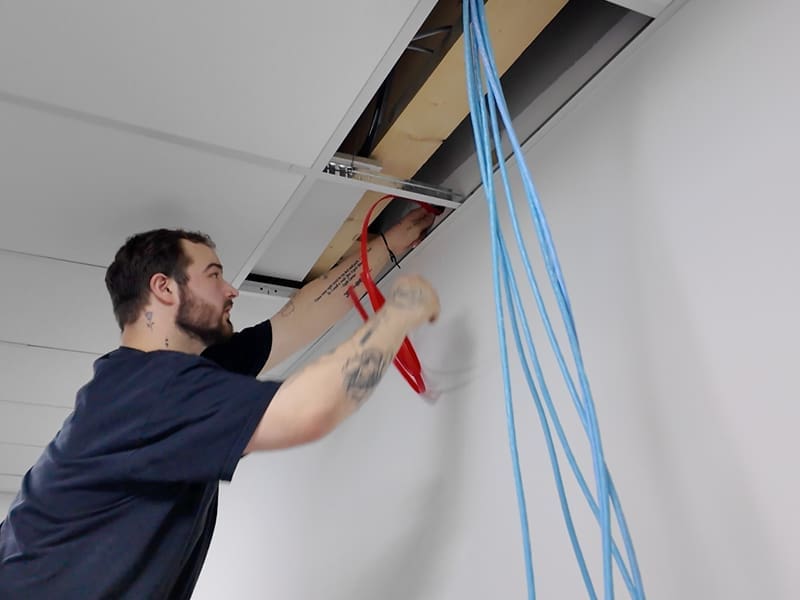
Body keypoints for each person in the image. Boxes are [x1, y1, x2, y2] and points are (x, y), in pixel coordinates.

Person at [0, 208, 440, 599]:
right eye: (213, 274)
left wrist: (387, 246)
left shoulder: (152, 385)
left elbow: (293, 322)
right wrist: (399, 314)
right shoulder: (150, 390)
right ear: (165, 288)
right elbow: (311, 410)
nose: (232, 290)